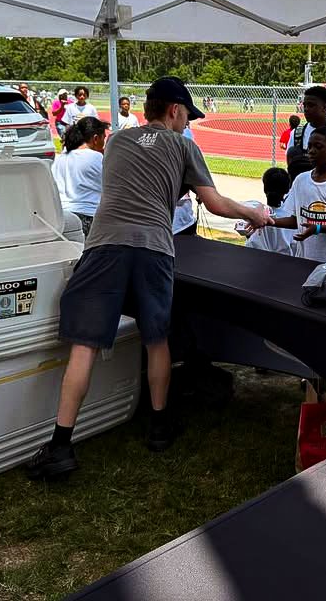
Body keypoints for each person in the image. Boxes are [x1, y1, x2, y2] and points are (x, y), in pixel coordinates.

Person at [27, 77, 272, 476]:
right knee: (156, 337)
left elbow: (129, 186)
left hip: (103, 244)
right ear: (174, 110)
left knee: (85, 344)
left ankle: (60, 444)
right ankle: (159, 426)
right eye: (185, 117)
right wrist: (253, 214)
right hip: (153, 248)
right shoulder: (183, 145)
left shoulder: (118, 141)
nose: (186, 124)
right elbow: (213, 202)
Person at [271, 126, 326, 263]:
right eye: (309, 146)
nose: (311, 151)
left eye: (318, 147)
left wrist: (318, 228)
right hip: (304, 259)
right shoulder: (301, 180)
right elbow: (296, 221)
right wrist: (268, 221)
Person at [52, 116, 110, 236]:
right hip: (89, 217)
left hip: (62, 218)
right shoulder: (96, 158)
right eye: (103, 138)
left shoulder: (60, 158)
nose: (104, 143)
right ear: (95, 138)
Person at [245, 167, 295, 255]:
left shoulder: (254, 210)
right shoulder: (293, 218)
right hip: (285, 262)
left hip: (255, 258)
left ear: (265, 189)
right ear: (287, 189)